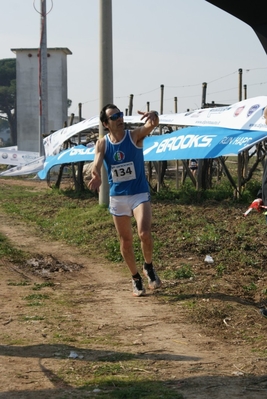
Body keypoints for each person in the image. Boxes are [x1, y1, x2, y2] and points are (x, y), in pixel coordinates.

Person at [88, 104, 161, 297]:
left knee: (144, 233)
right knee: (125, 241)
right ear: (106, 124)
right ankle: (136, 278)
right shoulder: (103, 143)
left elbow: (152, 124)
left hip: (138, 193)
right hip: (118, 197)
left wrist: (154, 115)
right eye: (114, 117)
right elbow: (97, 160)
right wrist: (96, 174)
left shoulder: (134, 135)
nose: (119, 119)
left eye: (120, 115)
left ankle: (148, 266)